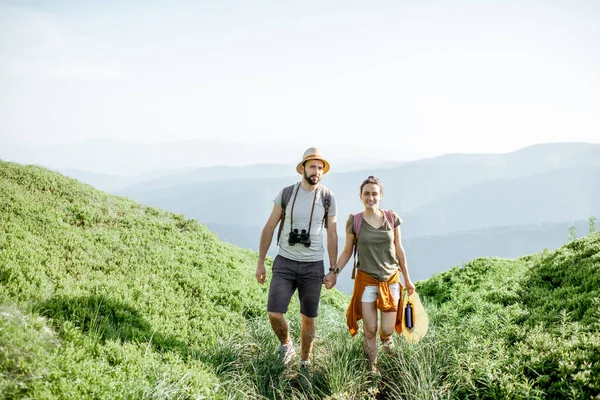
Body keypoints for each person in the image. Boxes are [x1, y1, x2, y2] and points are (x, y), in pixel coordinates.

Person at [256, 147, 338, 369]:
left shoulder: (328, 198)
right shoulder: (286, 194)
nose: (317, 171)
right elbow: (270, 226)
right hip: (285, 261)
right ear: (302, 168)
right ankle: (286, 345)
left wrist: (333, 269)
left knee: (308, 318)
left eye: (320, 168)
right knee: (274, 312)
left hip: (313, 265)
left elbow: (332, 234)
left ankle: (305, 361)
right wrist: (261, 261)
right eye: (312, 166)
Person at [323, 175, 415, 372]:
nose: (370, 197)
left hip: (391, 280)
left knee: (387, 329)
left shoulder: (392, 218)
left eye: (374, 194)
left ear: (380, 195)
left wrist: (407, 278)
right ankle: (372, 370)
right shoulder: (354, 221)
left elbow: (399, 249)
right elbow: (347, 251)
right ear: (360, 196)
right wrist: (334, 273)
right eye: (367, 194)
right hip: (366, 281)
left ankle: (387, 346)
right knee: (370, 329)